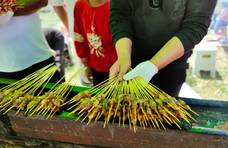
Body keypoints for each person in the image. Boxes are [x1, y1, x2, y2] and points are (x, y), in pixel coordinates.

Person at [109, 0, 217, 97]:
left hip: (172, 63)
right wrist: (123, 56)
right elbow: (120, 15)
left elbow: (195, 25)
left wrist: (152, 66)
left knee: (163, 111)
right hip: (132, 59)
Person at [0, 0, 61, 82]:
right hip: (3, 67)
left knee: (53, 94)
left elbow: (41, 1)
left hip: (38, 59)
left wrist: (6, 10)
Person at [73, 0, 117, 85]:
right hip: (96, 68)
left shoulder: (115, 5)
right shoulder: (80, 5)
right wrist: (85, 64)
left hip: (119, 67)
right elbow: (79, 35)